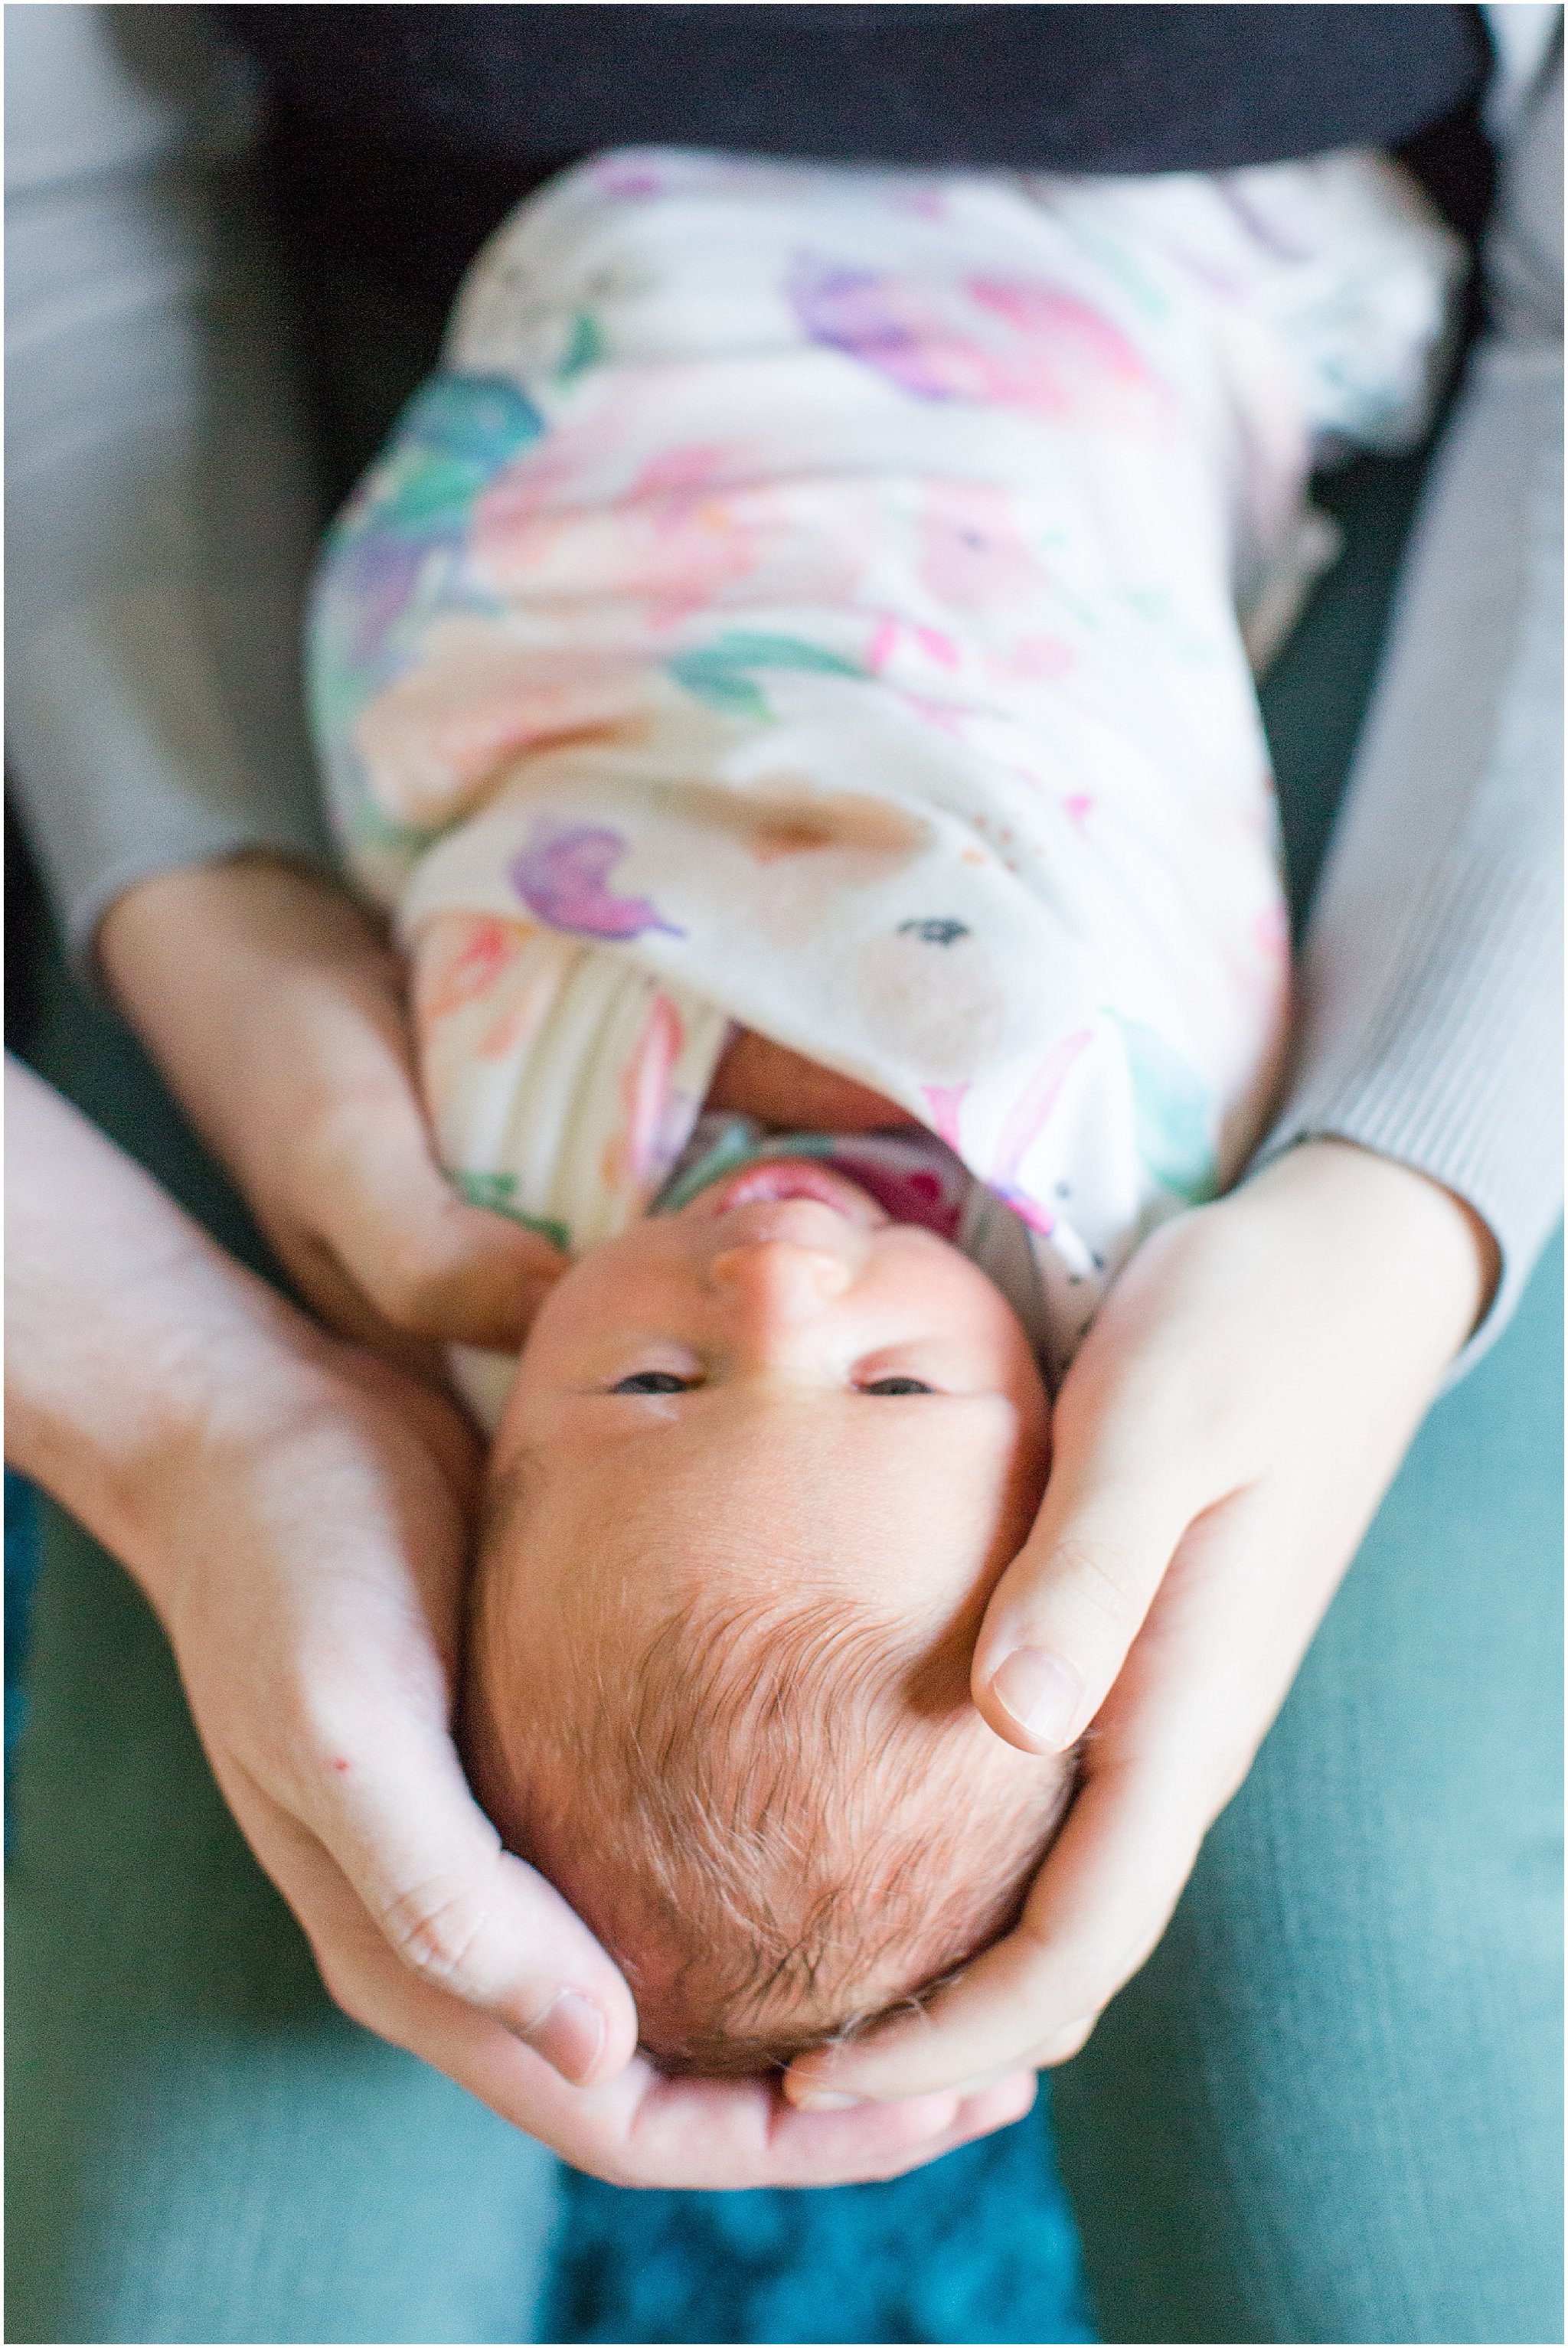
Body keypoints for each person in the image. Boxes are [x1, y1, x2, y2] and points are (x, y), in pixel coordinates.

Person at [5, 7, 1560, 2342]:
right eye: (896, 1398)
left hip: (1316, 390)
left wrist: (1416, 1188)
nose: (769, 1298)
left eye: (651, 1387)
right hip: (319, 331)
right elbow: (50, 216)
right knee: (196, 2263)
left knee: (1340, 2021)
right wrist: (182, 1388)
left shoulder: (510, 1158)